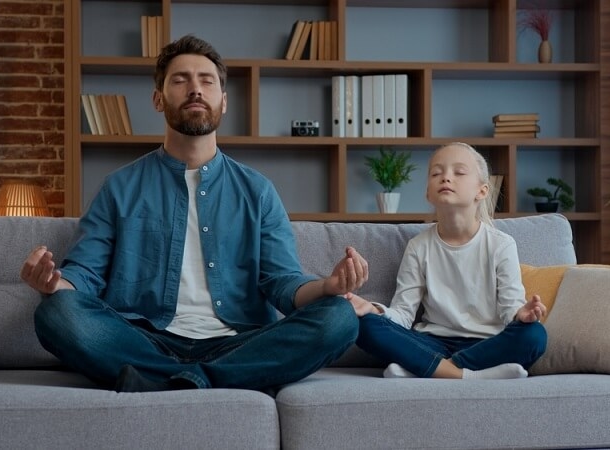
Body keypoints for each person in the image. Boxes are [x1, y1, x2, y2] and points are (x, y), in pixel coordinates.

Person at [20, 35, 368, 393]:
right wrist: (56, 285)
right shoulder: (119, 187)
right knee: (56, 313)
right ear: (158, 99)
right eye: (180, 79)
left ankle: (165, 381)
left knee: (339, 317)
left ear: (223, 100)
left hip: (238, 342)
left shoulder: (257, 190)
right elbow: (86, 273)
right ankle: (214, 380)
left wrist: (327, 287)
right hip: (142, 339)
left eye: (207, 80)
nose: (195, 89)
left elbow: (283, 282)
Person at [346, 142, 547, 380]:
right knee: (365, 325)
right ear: (428, 193)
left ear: (482, 191)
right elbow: (403, 315)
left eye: (459, 172)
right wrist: (374, 309)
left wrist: (520, 315)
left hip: (486, 344)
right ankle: (469, 375)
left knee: (534, 335)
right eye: (436, 173)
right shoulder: (418, 246)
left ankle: (429, 369)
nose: (446, 178)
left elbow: (509, 309)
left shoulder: (501, 244)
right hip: (432, 342)